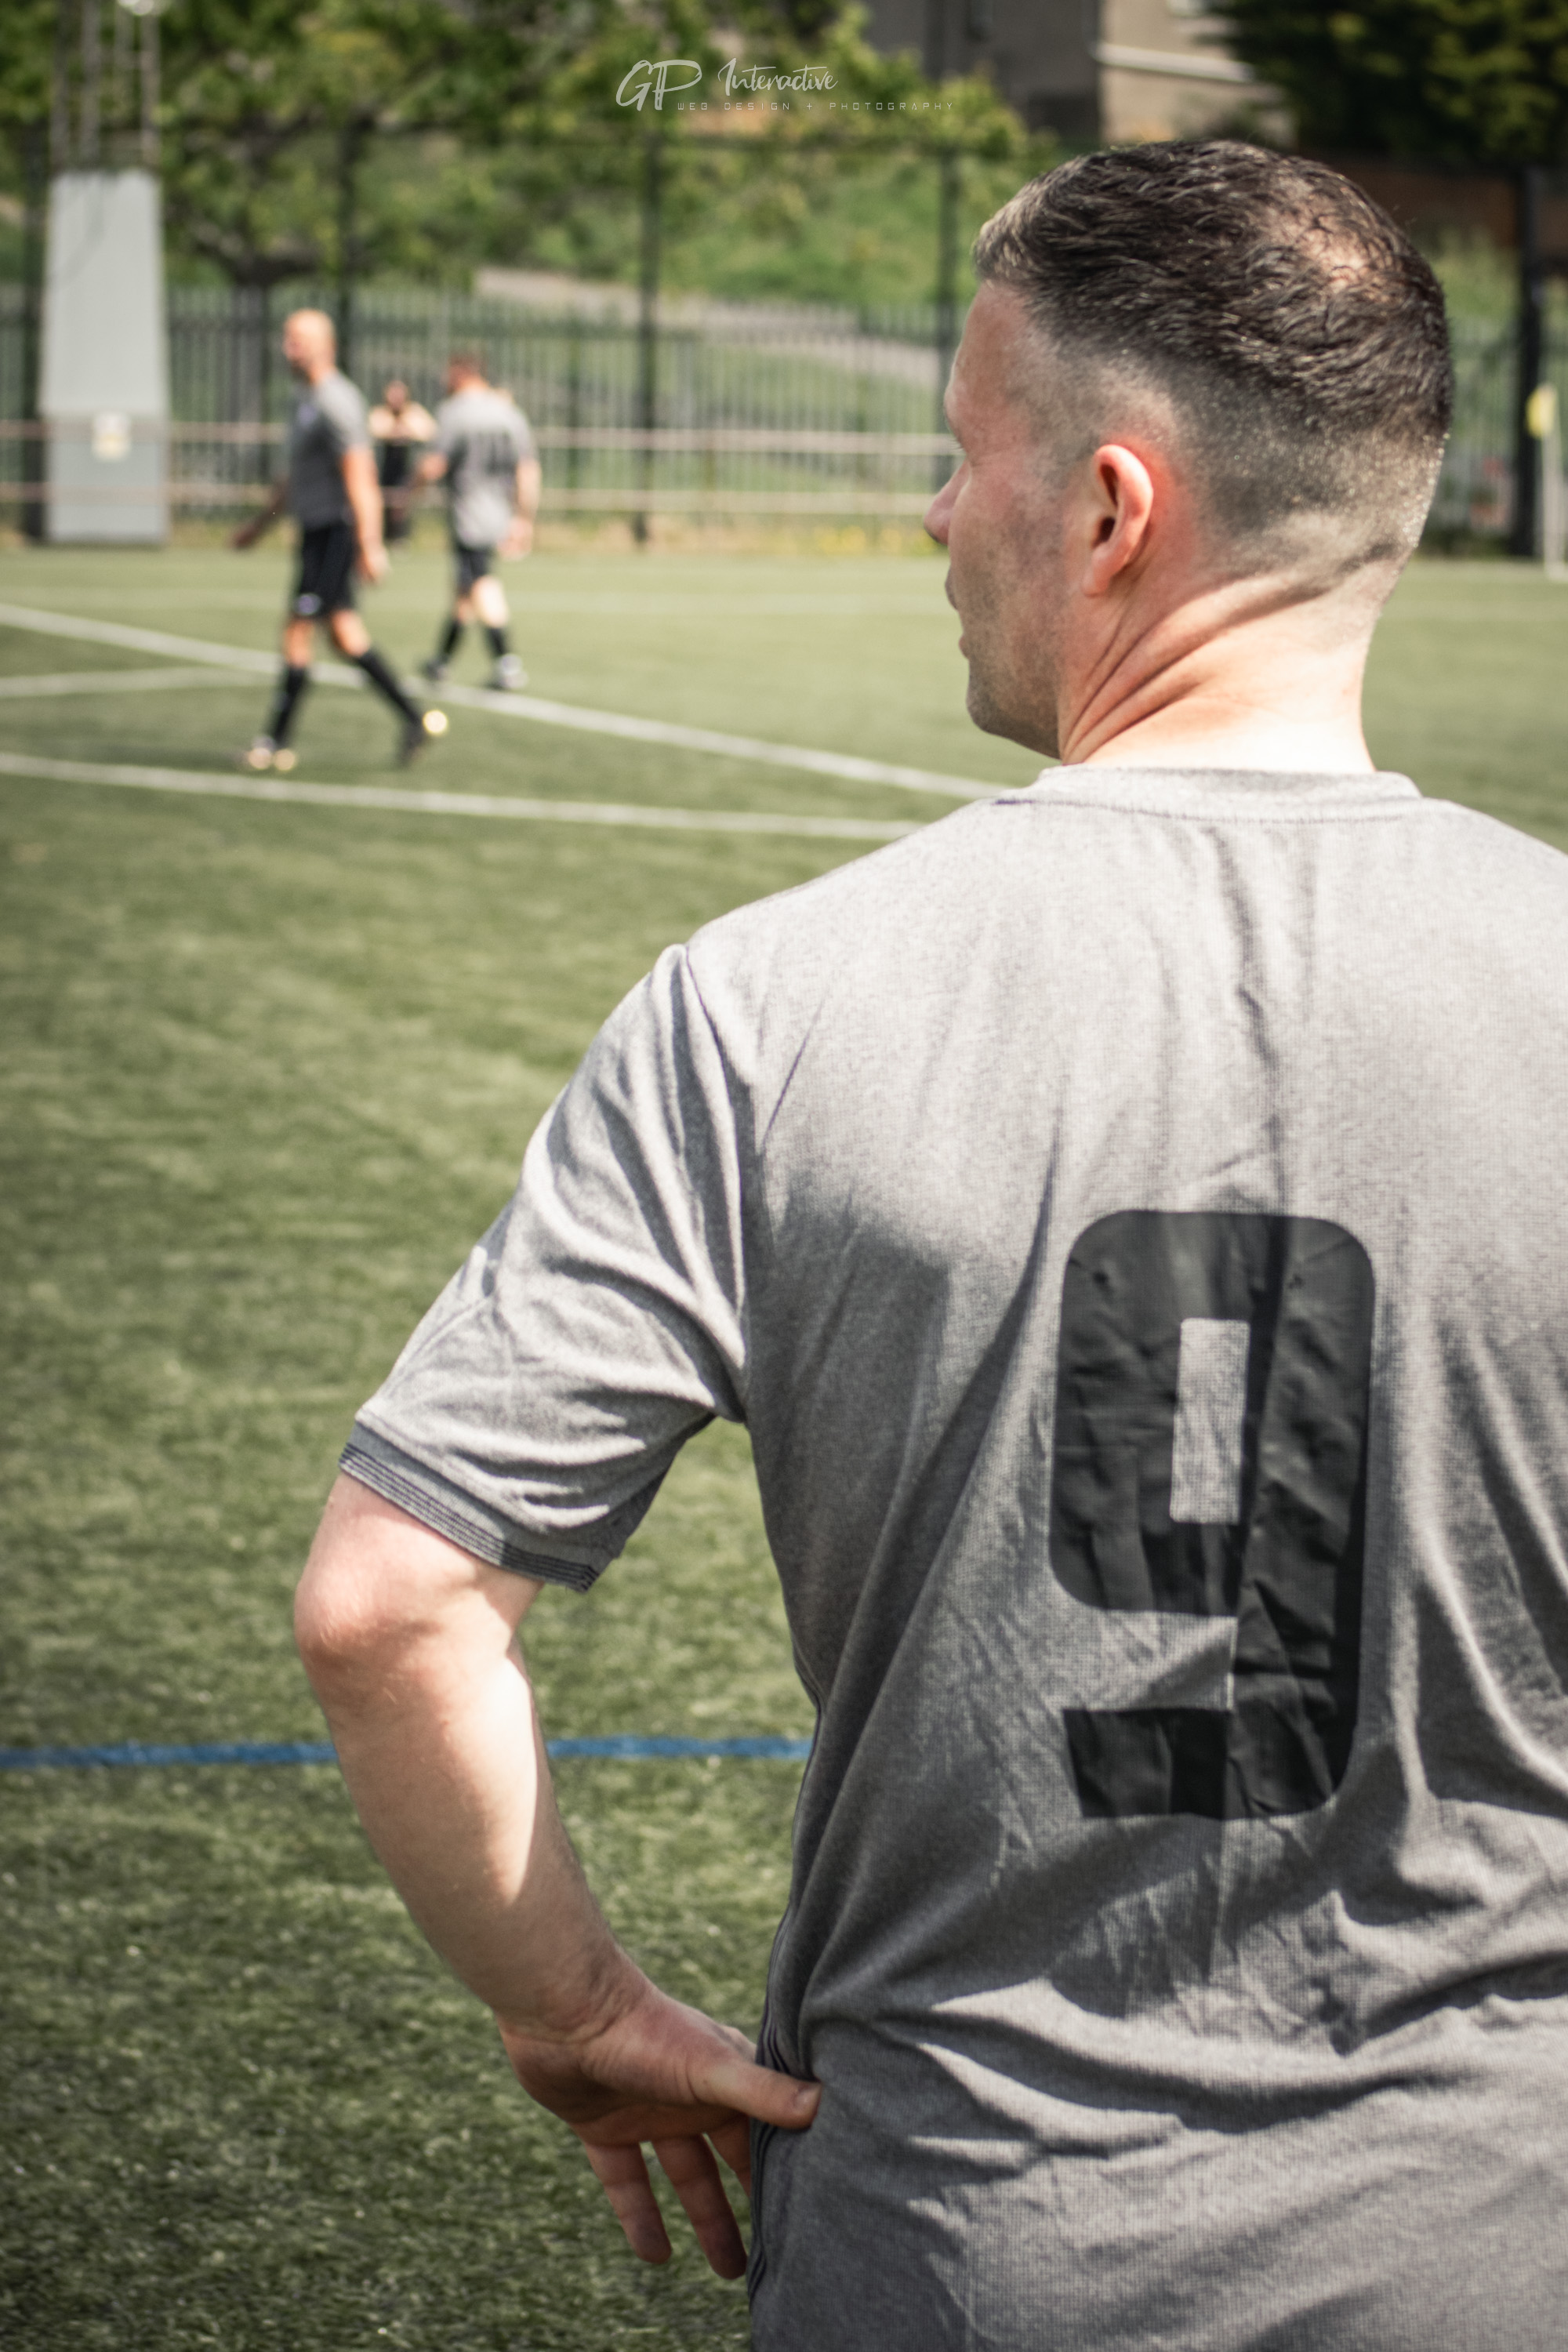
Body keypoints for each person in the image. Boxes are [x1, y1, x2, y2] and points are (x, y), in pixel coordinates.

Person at [294, 143, 1568, 2350]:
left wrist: (574, 2006)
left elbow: (390, 1609)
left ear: (1107, 507)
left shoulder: (769, 1003)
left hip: (963, 2253)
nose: (930, 516)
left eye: (958, 455)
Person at [230, 310, 445, 773]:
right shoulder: (303, 399)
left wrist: (369, 543)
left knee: (297, 632)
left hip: (335, 533)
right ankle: (414, 719)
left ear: (325, 345)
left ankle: (274, 742)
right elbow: (293, 480)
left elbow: (360, 475)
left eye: (298, 341)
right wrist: (260, 524)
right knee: (347, 638)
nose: (288, 349)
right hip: (314, 532)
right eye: (286, 339)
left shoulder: (336, 400)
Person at [416, 353, 540, 691]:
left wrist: (406, 496)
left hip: (469, 516)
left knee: (482, 583)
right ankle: (441, 660)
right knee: (464, 589)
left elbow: (432, 466)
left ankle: (507, 664)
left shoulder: (454, 412)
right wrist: (523, 518)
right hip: (499, 514)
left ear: (461, 374)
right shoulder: (509, 413)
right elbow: (527, 470)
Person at [368, 377, 436, 546]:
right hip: (383, 468)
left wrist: (404, 426)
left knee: (402, 502)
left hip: (406, 468)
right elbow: (374, 429)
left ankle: (400, 535)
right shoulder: (381, 413)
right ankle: (383, 536)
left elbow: (428, 431)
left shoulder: (414, 413)